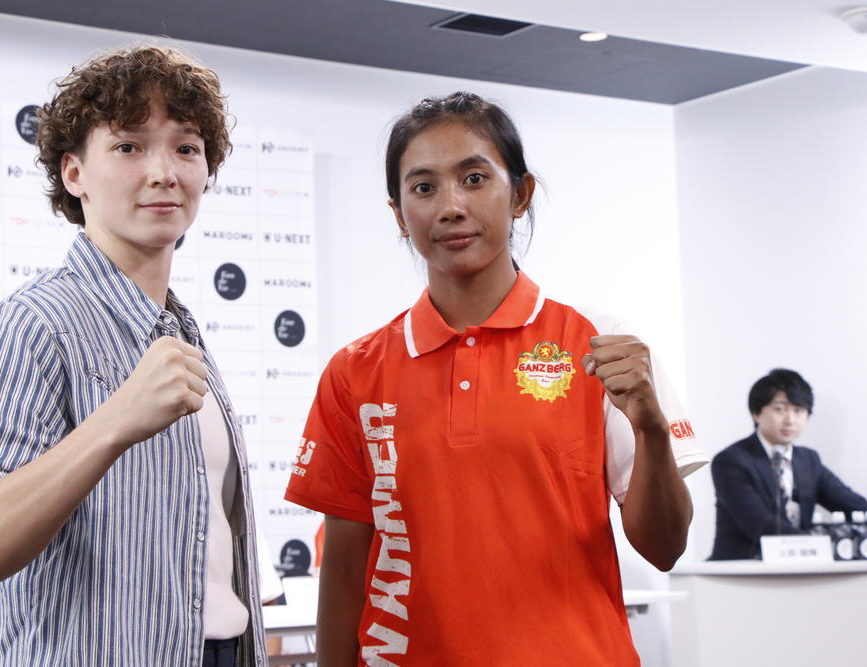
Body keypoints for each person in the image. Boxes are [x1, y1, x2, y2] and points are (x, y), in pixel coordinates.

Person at [283, 92, 709, 666]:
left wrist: (651, 428)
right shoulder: (355, 371)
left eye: (475, 178)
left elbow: (665, 548)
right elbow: (344, 567)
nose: (451, 206)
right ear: (399, 214)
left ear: (520, 195)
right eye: (423, 187)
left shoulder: (599, 344)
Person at [0, 46, 267, 666]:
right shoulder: (35, 323)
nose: (163, 172)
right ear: (74, 173)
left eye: (186, 148)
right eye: (129, 146)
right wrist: (113, 423)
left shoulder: (181, 330)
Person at [709, 368, 867, 560]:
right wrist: (822, 543)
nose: (790, 420)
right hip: (740, 569)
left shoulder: (809, 460)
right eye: (780, 409)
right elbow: (760, 524)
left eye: (798, 410)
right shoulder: (731, 461)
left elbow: (852, 503)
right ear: (756, 413)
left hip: (799, 567)